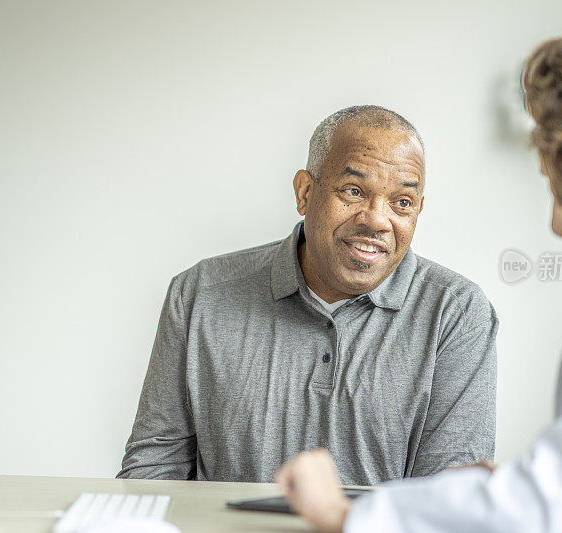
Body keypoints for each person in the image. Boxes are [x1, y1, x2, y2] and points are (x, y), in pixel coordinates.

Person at [275, 22, 562, 532]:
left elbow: (553, 501)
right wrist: (492, 491)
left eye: (547, 141)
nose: (540, 166)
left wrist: (340, 514)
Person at [117, 105, 499, 486]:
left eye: (402, 202)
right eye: (354, 191)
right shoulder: (199, 293)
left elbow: (453, 500)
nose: (376, 219)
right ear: (305, 192)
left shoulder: (456, 314)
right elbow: (153, 470)